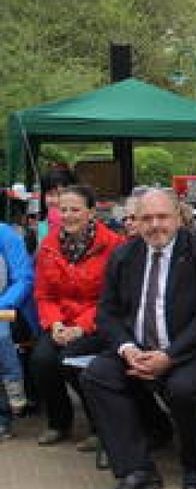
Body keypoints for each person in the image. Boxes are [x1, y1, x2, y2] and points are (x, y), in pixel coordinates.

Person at [80, 189, 196, 489]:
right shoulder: (124, 255)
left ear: (178, 218)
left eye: (162, 217)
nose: (155, 225)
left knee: (183, 387)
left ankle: (194, 465)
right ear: (135, 222)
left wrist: (169, 356)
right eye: (146, 218)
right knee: (97, 376)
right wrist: (126, 349)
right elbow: (107, 312)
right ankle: (136, 471)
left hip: (195, 350)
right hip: (138, 349)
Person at [31, 185, 123, 447]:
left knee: (70, 361)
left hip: (97, 323)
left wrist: (82, 327)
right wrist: (55, 324)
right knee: (41, 360)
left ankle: (99, 425)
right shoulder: (49, 245)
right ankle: (58, 422)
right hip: (61, 322)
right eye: (63, 210)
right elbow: (44, 294)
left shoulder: (113, 245)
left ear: (91, 212)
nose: (68, 215)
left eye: (75, 209)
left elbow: (112, 299)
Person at [0, 218, 37, 432]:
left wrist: (3, 304)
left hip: (8, 306)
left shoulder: (5, 234)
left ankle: (5, 411)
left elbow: (24, 279)